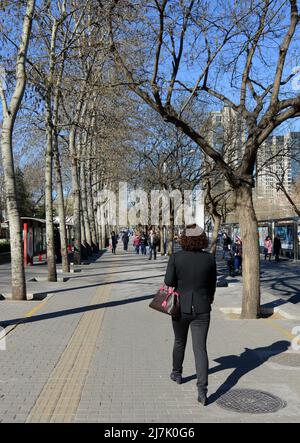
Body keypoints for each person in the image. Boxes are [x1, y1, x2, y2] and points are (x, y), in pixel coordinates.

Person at [164, 224, 216, 406]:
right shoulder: (209, 259)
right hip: (202, 309)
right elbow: (212, 284)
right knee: (200, 349)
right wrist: (209, 298)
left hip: (180, 308)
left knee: (179, 341)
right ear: (202, 239)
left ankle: (176, 373)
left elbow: (168, 281)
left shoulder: (176, 257)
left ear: (184, 239)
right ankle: (202, 390)